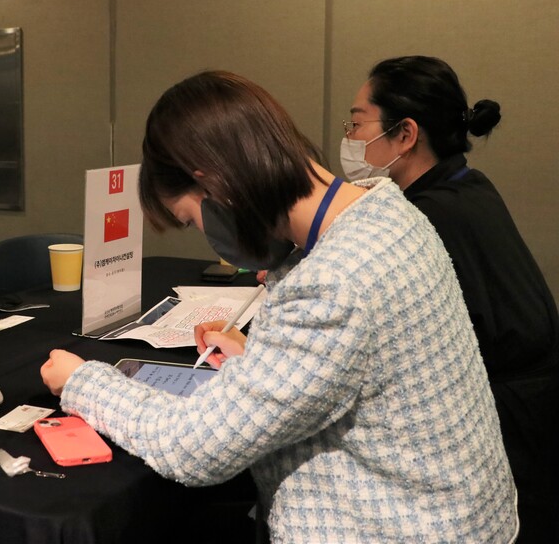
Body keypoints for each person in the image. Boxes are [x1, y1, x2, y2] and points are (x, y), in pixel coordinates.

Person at [41, 71, 518, 542]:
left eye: (192, 219)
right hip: (461, 516)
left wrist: (83, 382)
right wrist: (263, 359)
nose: (213, 243)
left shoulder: (332, 282)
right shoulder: (388, 213)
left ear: (215, 183)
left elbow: (193, 449)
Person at [342, 55, 559, 542]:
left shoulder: (425, 218)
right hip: (535, 410)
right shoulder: (464, 183)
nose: (350, 137)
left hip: (508, 432)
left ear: (405, 134)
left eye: (357, 123)